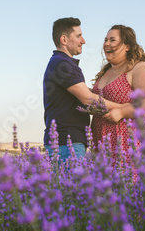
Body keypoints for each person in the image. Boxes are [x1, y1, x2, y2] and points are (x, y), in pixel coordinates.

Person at [43, 17, 124, 163]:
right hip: (66, 142)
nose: (83, 41)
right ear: (64, 39)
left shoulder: (59, 63)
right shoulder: (63, 64)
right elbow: (88, 99)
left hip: (64, 141)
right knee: (70, 185)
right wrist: (124, 108)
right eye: (79, 36)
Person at [90, 24, 145, 164]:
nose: (106, 43)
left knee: (131, 185)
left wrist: (122, 112)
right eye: (105, 40)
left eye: (112, 40)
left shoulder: (138, 68)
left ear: (127, 46)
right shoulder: (105, 72)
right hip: (103, 146)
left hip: (132, 146)